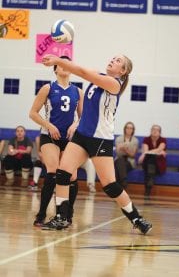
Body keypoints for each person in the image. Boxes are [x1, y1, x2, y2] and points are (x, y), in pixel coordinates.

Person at [41, 54, 152, 234]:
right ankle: (62, 217)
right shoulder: (100, 75)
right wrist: (61, 62)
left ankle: (137, 218)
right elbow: (80, 69)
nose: (112, 60)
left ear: (122, 71)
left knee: (110, 185)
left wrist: (57, 60)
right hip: (82, 135)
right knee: (62, 173)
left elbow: (83, 72)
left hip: (100, 139)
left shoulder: (114, 84)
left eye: (118, 61)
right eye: (113, 58)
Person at [29, 55, 84, 227]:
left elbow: (83, 117)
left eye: (67, 63)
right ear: (55, 69)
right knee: (52, 172)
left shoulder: (78, 91)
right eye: (60, 64)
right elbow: (33, 113)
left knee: (71, 176)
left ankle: (67, 214)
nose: (64, 66)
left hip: (69, 139)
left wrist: (75, 124)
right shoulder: (48, 88)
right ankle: (41, 214)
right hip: (49, 135)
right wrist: (48, 125)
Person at [138, 124, 167, 200]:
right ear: (150, 131)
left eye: (157, 130)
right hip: (147, 163)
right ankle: (150, 184)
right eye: (153, 129)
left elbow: (158, 149)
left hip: (159, 165)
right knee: (150, 161)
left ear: (159, 132)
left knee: (151, 161)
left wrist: (145, 153)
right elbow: (148, 151)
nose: (154, 131)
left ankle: (147, 192)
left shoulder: (163, 139)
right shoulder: (146, 139)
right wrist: (158, 152)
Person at [114, 121, 139, 189]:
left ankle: (118, 188)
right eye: (127, 128)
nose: (129, 130)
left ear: (133, 130)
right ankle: (123, 182)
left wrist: (125, 150)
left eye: (131, 128)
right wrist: (122, 148)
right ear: (124, 129)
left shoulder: (135, 140)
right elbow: (118, 153)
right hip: (119, 159)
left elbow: (133, 155)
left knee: (118, 166)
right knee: (120, 161)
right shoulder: (119, 139)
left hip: (129, 161)